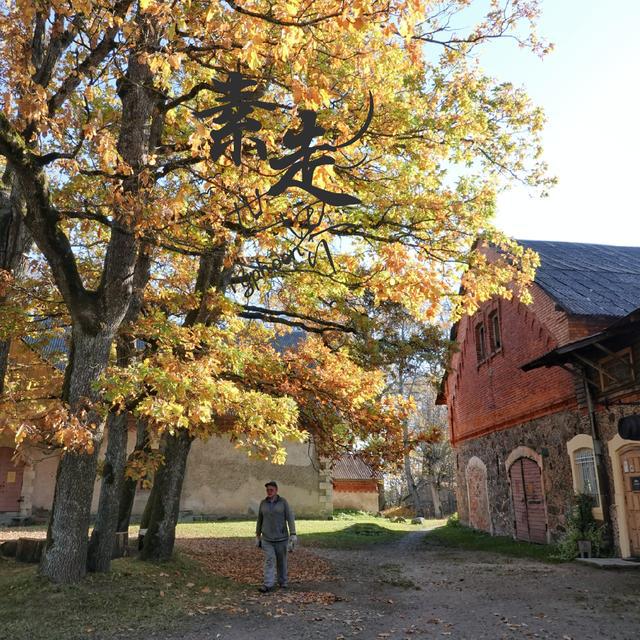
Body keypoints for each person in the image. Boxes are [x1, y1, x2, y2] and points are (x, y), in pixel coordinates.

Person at [255, 481, 297, 593]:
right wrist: (257, 535)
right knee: (270, 559)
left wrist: (293, 534)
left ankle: (283, 582)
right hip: (267, 539)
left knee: (281, 561)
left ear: (276, 490)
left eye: (271, 490)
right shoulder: (263, 503)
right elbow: (260, 519)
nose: (269, 492)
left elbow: (290, 517)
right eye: (267, 490)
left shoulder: (283, 502)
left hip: (281, 538)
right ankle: (267, 584)